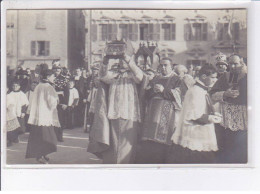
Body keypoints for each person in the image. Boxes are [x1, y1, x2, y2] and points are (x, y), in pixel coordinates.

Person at [88, 54, 144, 164]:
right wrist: (105, 60)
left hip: (129, 112)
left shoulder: (132, 75)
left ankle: (125, 165)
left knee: (128, 143)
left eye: (124, 60)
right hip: (114, 112)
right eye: (121, 59)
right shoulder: (113, 74)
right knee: (114, 143)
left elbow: (140, 76)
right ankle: (113, 165)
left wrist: (128, 59)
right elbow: (102, 75)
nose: (122, 61)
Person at [171, 64, 221, 164]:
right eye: (213, 77)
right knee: (199, 159)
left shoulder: (201, 89)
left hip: (200, 130)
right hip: (195, 132)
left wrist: (214, 113)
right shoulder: (196, 91)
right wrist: (211, 118)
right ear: (203, 77)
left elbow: (203, 107)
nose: (215, 80)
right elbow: (194, 115)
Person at [135, 58, 182, 164]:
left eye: (166, 65)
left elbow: (180, 96)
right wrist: (151, 89)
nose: (163, 68)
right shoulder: (156, 78)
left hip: (168, 112)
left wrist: (163, 90)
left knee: (164, 140)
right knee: (150, 139)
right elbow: (146, 93)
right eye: (161, 65)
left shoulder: (177, 79)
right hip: (153, 111)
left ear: (171, 66)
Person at [210, 54, 247, 163]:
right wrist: (225, 93)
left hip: (246, 116)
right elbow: (212, 94)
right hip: (227, 117)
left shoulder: (250, 76)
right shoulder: (225, 76)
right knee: (227, 145)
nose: (232, 66)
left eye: (235, 63)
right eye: (230, 63)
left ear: (242, 63)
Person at [25, 64, 60, 164]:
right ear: (48, 77)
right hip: (45, 116)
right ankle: (40, 156)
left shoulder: (38, 86)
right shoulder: (49, 87)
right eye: (53, 76)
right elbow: (52, 103)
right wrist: (57, 99)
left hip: (38, 116)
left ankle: (43, 155)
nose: (54, 78)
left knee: (39, 136)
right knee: (47, 138)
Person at [84, 65, 100, 132]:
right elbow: (85, 88)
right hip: (89, 96)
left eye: (96, 70)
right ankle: (88, 127)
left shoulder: (100, 77)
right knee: (88, 112)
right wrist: (85, 97)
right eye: (93, 70)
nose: (94, 71)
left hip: (96, 96)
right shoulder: (89, 78)